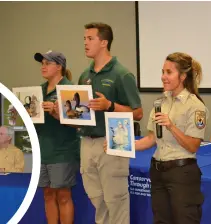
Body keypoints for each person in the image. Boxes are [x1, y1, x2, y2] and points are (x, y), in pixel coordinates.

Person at [78, 22, 143, 224]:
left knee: (116, 200)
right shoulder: (84, 76)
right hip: (87, 141)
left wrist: (110, 105)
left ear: (104, 42)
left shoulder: (121, 74)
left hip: (114, 140)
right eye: (84, 39)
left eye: (90, 39)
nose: (85, 43)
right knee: (97, 199)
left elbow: (138, 113)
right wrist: (64, 113)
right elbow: (80, 112)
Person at [134, 52, 208, 224]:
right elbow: (151, 139)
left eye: (169, 72)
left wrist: (171, 126)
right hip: (158, 171)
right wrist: (123, 145)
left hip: (181, 173)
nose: (163, 77)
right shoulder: (160, 103)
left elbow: (193, 146)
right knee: (160, 220)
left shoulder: (196, 106)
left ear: (182, 76)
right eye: (162, 72)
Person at [33, 51, 80, 224]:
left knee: (63, 195)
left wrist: (56, 112)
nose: (43, 67)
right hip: (42, 150)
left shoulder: (70, 90)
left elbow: (78, 123)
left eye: (47, 63)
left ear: (59, 67)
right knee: (47, 194)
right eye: (42, 63)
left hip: (62, 151)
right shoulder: (38, 91)